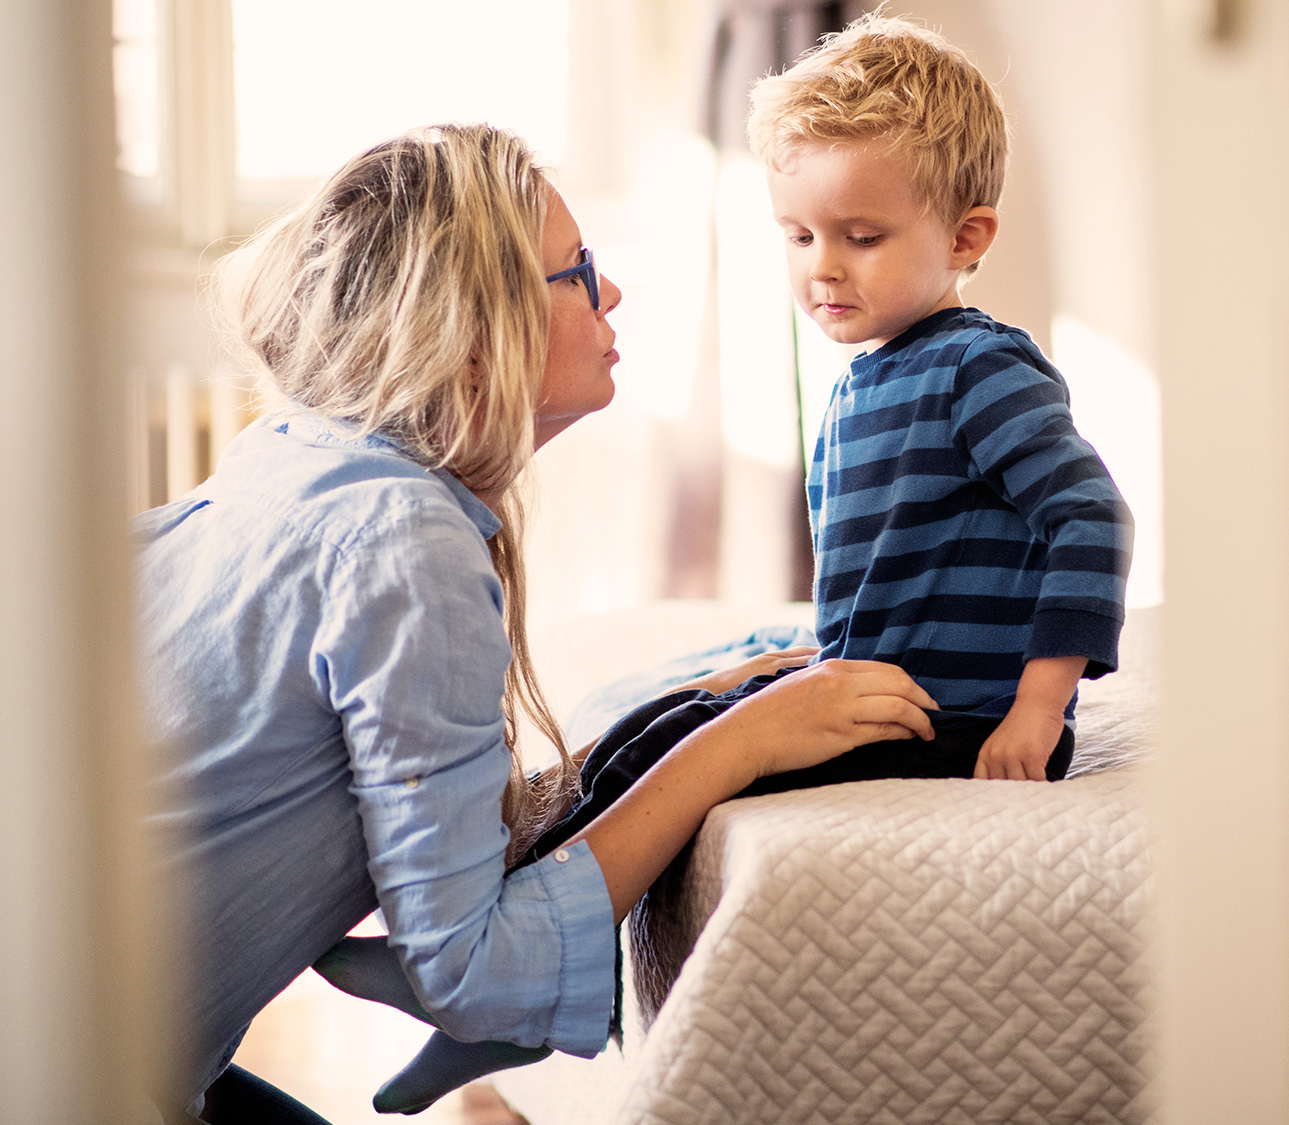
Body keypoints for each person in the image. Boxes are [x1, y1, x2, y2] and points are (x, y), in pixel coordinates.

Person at [342, 11, 1135, 1108]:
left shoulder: (978, 370)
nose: (822, 270)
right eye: (798, 236)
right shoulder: (871, 375)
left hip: (947, 716)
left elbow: (1088, 519)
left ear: (964, 239)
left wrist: (1037, 710)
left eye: (860, 236)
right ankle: (484, 938)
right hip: (880, 680)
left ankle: (500, 1007)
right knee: (654, 722)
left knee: (686, 762)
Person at [135, 122, 940, 1125]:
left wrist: (679, 716)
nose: (609, 294)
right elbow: (471, 963)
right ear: (473, 337)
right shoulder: (404, 539)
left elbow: (431, 821)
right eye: (579, 272)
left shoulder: (294, 459)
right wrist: (741, 746)